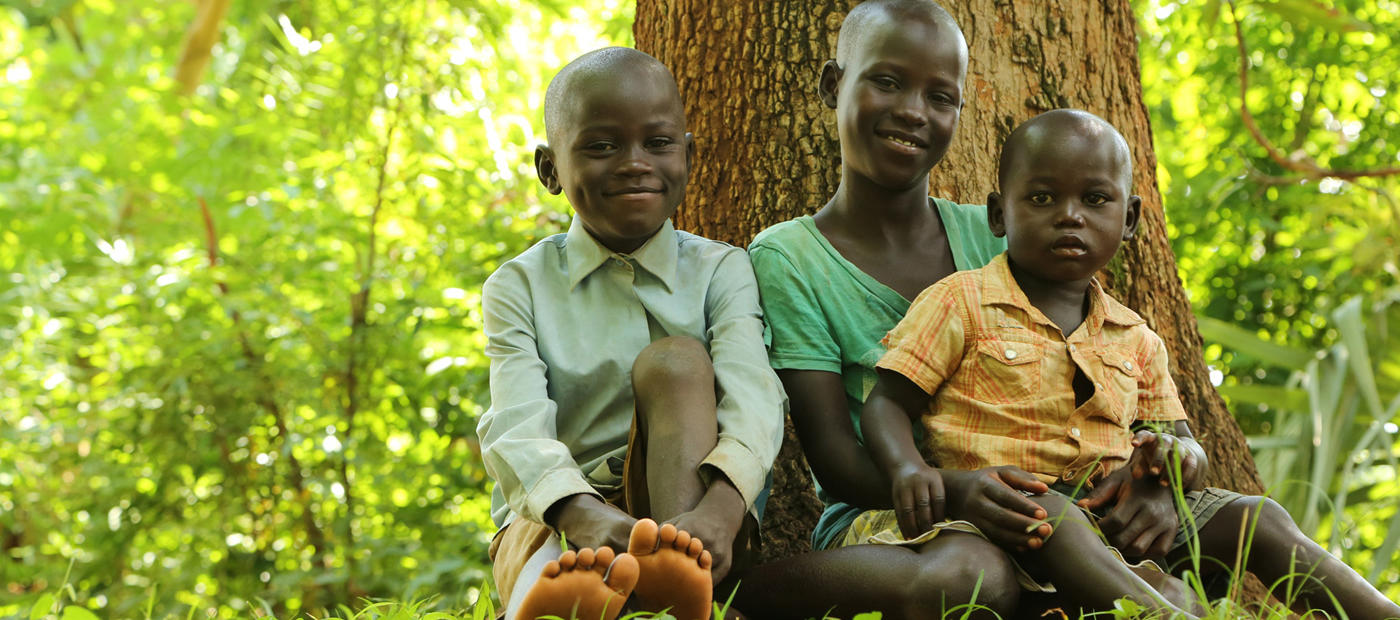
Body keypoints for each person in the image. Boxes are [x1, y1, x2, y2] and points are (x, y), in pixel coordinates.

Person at [857, 108, 1400, 619]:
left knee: (1258, 518)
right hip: (1007, 513)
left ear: (1131, 217)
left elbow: (1185, 443)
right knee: (1059, 520)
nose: (1070, 215)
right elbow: (887, 402)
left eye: (1096, 200)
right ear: (1000, 214)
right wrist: (910, 469)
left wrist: (1171, 464)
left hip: (1116, 516)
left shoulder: (1135, 337)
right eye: (1043, 198)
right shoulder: (960, 302)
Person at [736, 1, 1026, 617]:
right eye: (887, 81)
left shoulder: (997, 239)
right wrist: (959, 492)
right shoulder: (791, 259)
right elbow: (837, 461)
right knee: (973, 580)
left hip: (1025, 502)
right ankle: (752, 597)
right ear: (832, 85)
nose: (913, 111)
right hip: (882, 517)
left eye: (940, 96)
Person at [478, 46, 784, 620]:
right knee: (556, 568)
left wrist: (722, 508)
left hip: (701, 514)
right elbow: (515, 427)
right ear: (549, 170)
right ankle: (573, 596)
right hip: (562, 513)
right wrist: (581, 513)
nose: (634, 163)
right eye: (600, 146)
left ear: (689, 156)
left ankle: (675, 581)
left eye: (658, 143)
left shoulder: (722, 269)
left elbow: (755, 397)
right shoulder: (518, 286)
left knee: (676, 362)